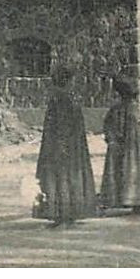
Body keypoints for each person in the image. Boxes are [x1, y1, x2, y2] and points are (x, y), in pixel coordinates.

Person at [35, 66, 97, 227]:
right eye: (71, 80)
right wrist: (63, 146)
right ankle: (64, 215)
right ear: (67, 81)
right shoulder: (63, 99)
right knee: (64, 178)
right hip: (65, 146)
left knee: (63, 178)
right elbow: (62, 126)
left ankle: (66, 215)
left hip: (65, 145)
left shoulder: (62, 98)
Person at [99, 75, 140, 213]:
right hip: (129, 148)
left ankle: (137, 202)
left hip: (134, 148)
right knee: (128, 170)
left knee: (132, 170)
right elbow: (110, 127)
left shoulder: (129, 109)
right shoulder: (122, 109)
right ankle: (129, 200)